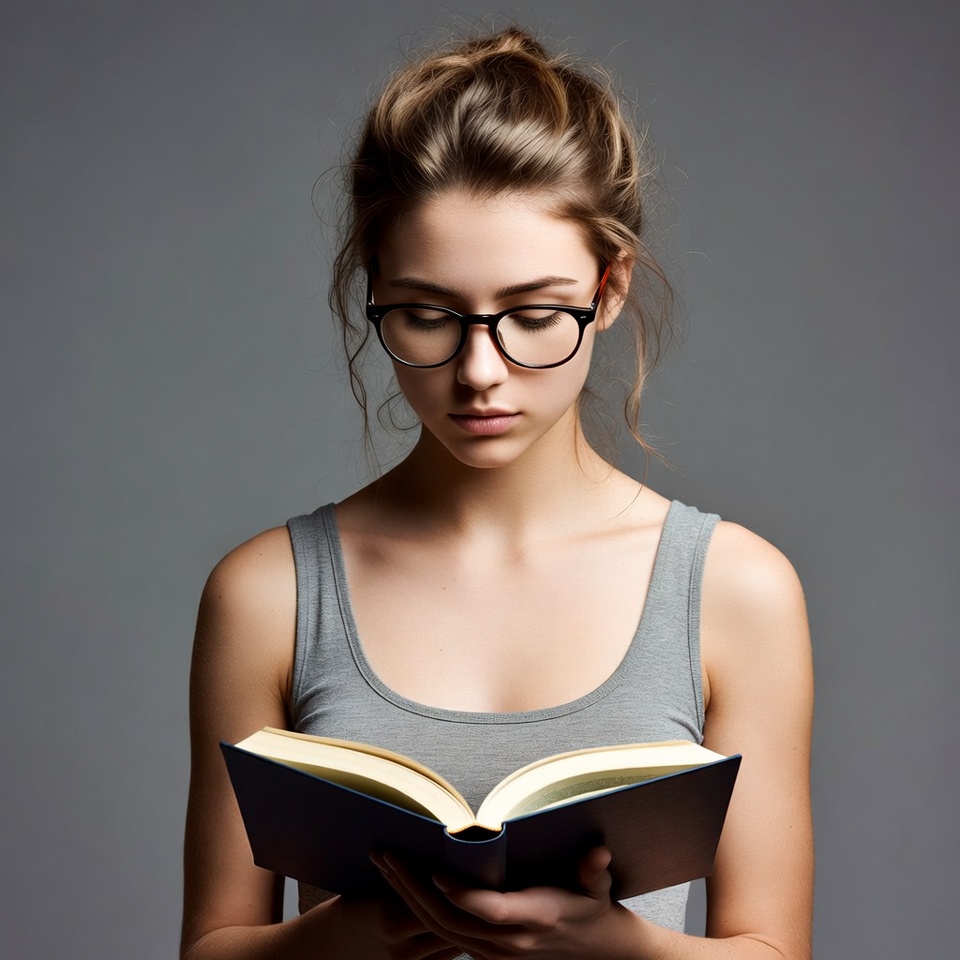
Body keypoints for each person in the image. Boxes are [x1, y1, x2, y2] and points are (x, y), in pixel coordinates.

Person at [180, 26, 813, 960]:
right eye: (429, 315)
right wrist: (358, 931)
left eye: (532, 314)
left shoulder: (734, 591)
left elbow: (775, 951)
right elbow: (209, 950)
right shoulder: (269, 593)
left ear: (610, 289)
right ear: (375, 293)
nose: (481, 370)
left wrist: (612, 948)